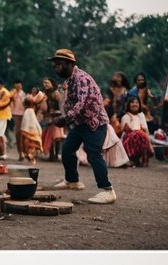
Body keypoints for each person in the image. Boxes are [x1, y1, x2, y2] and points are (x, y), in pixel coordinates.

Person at [47, 49, 117, 204]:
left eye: (59, 64)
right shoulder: (70, 81)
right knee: (67, 149)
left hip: (95, 123)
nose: (56, 68)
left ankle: (108, 190)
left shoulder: (80, 78)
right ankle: (73, 181)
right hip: (81, 123)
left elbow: (81, 103)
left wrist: (65, 119)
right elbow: (70, 104)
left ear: (70, 64)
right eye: (55, 65)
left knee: (93, 154)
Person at [117, 98, 153, 167]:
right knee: (138, 134)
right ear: (128, 105)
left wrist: (149, 143)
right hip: (128, 138)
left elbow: (145, 129)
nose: (135, 104)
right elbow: (123, 131)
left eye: (136, 102)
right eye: (132, 102)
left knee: (141, 134)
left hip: (141, 137)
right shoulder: (126, 116)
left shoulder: (141, 116)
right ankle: (133, 159)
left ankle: (143, 158)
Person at [19, 86, 45, 162]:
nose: (33, 90)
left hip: (34, 116)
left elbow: (37, 102)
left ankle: (33, 155)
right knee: (26, 135)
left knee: (35, 133)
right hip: (27, 115)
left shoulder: (39, 97)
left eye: (35, 89)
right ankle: (28, 154)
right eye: (32, 88)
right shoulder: (28, 97)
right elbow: (25, 103)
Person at [42, 78, 66, 160]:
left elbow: (61, 104)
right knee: (50, 136)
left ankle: (55, 155)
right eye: (44, 83)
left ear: (52, 84)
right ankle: (51, 155)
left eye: (47, 83)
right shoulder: (45, 94)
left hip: (57, 116)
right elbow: (45, 108)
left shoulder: (56, 93)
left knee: (57, 137)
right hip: (49, 117)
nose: (45, 85)